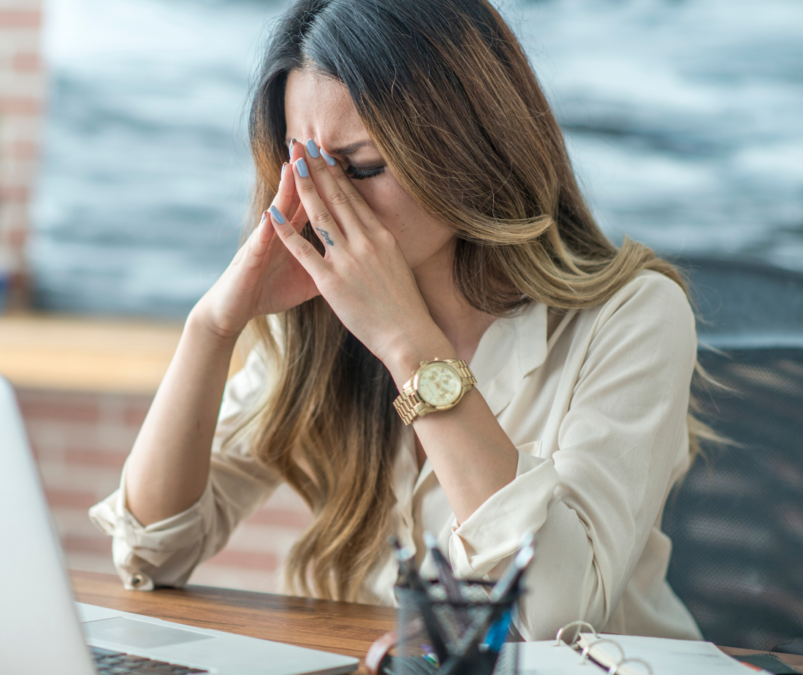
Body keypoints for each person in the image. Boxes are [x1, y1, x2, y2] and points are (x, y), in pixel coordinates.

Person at [91, 0, 711, 640]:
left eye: (362, 167)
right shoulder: (319, 317)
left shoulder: (631, 316)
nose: (326, 202)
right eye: (306, 168)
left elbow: (551, 613)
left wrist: (407, 346)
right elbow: (151, 554)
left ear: (470, 142)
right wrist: (213, 327)